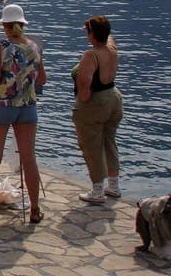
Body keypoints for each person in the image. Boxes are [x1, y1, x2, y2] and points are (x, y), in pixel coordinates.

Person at [0, 3, 47, 224]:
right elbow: (42, 79)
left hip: (2, 107)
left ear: (4, 25)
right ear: (22, 24)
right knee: (29, 159)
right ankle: (35, 210)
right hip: (28, 108)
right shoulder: (34, 46)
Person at [72, 15, 123, 203]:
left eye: (88, 32)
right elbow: (109, 37)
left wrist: (82, 103)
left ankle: (97, 190)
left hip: (96, 102)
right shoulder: (111, 50)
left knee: (91, 145)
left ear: (92, 34)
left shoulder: (91, 55)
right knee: (109, 142)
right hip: (114, 97)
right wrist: (98, 27)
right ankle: (114, 186)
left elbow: (84, 84)